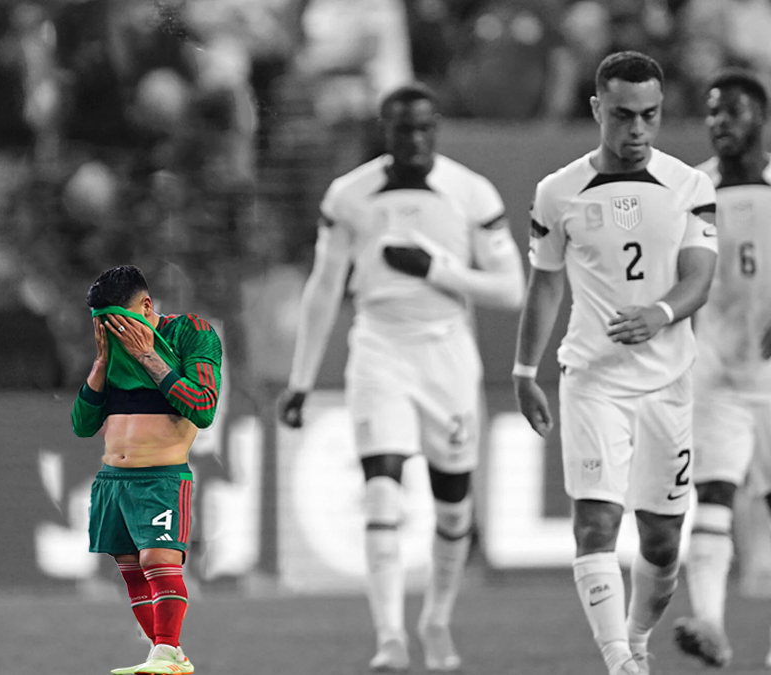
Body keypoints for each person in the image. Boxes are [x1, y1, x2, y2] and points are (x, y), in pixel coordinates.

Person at [279, 82, 525, 672]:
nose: (414, 139)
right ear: (384, 132)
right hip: (379, 349)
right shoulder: (349, 195)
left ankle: (435, 619)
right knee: (381, 489)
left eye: (424, 128)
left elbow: (511, 289)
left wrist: (437, 270)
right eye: (402, 129)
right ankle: (389, 636)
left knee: (453, 508)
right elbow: (323, 286)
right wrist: (301, 379)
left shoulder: (471, 192)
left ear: (435, 129)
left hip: (446, 353)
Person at [514, 51, 718, 675]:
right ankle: (619, 663)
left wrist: (660, 313)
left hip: (667, 385)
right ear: (597, 108)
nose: (637, 129)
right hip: (593, 380)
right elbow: (545, 284)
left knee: (662, 540)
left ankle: (636, 641)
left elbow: (699, 278)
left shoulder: (690, 186)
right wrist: (524, 371)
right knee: (597, 522)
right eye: (624, 115)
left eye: (650, 115)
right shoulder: (557, 192)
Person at [71, 265, 222, 675]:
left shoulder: (190, 332)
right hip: (113, 480)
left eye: (118, 320)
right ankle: (168, 655)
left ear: (146, 306)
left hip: (161, 476)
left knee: (158, 558)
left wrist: (147, 357)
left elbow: (203, 407)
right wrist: (100, 364)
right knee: (132, 570)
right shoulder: (112, 352)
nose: (113, 329)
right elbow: (82, 425)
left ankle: (166, 651)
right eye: (103, 322)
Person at [673, 68, 771, 669]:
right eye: (712, 112)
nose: (719, 122)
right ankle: (709, 622)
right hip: (716, 376)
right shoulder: (691, 190)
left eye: (731, 111)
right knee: (712, 492)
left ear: (760, 117)